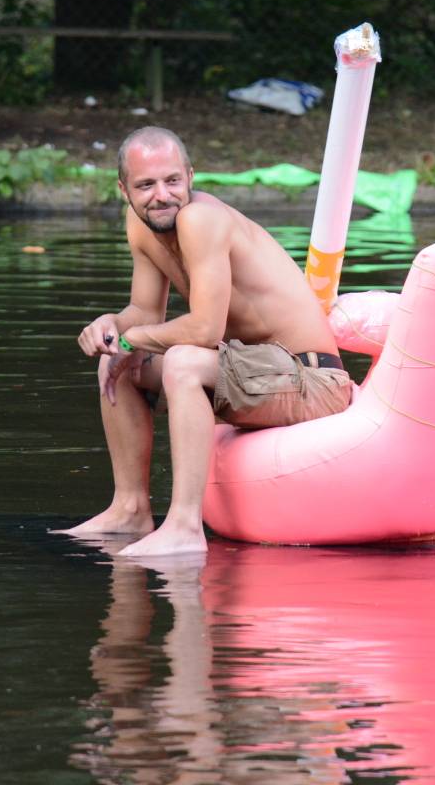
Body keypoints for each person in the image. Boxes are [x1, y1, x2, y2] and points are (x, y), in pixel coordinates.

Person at [55, 127, 352, 556]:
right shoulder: (142, 226)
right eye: (145, 185)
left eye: (172, 181)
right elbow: (143, 313)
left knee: (182, 361)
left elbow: (205, 331)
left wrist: (131, 338)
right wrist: (112, 327)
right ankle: (130, 509)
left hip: (309, 378)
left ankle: (184, 526)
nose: (162, 195)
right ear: (124, 190)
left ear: (190, 177)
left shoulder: (201, 219)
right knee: (113, 362)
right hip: (251, 370)